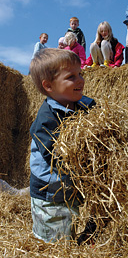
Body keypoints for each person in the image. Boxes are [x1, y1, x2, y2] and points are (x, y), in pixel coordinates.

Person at [29, 48, 96, 243]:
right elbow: (57, 157)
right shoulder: (45, 121)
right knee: (57, 241)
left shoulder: (85, 106)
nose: (81, 80)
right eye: (71, 77)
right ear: (49, 86)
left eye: (80, 74)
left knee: (72, 225)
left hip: (72, 187)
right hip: (50, 193)